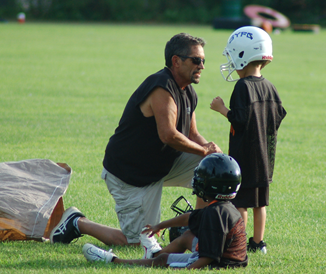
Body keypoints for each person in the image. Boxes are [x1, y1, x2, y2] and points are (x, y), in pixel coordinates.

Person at [49, 33, 223, 249]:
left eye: (203, 61)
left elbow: (192, 134)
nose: (202, 66)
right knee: (136, 243)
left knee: (217, 170)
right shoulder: (162, 87)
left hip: (159, 165)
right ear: (176, 61)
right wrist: (203, 152)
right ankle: (77, 223)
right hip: (131, 174)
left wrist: (211, 154)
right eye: (196, 60)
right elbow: (168, 135)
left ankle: (201, 226)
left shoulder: (188, 91)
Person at [82, 154, 248, 269]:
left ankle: (115, 261)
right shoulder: (223, 208)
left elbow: (210, 256)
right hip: (227, 258)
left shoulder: (215, 214)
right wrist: (159, 225)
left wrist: (187, 270)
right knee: (188, 236)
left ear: (211, 185)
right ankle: (155, 253)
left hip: (220, 264)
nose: (197, 181)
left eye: (201, 179)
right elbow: (190, 217)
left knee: (162, 261)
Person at [209, 26, 287, 254]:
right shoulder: (270, 87)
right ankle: (258, 243)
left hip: (244, 156)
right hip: (265, 157)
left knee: (241, 202)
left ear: (243, 55)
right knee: (260, 203)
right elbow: (279, 114)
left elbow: (240, 120)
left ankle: (241, 242)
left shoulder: (242, 87)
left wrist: (222, 109)